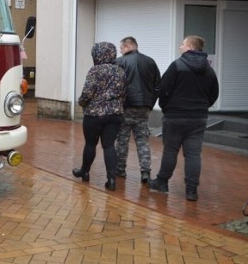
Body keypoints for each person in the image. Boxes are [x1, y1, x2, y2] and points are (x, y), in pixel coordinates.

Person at [149, 35, 219, 201]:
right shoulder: (209, 70)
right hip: (198, 117)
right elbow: (214, 94)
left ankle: (162, 182)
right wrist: (202, 106)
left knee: (170, 150)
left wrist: (166, 107)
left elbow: (164, 88)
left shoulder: (177, 66)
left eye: (182, 44)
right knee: (193, 154)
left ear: (189, 47)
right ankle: (191, 190)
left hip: (175, 116)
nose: (180, 47)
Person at [72, 42, 126, 191]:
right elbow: (124, 92)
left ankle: (85, 172)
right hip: (115, 114)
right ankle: (111, 179)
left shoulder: (95, 71)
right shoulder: (120, 71)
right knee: (109, 145)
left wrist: (82, 102)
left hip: (94, 114)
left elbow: (87, 93)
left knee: (90, 144)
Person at [115, 37, 161, 183]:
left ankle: (120, 169)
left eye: (121, 48)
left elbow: (115, 85)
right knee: (142, 140)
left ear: (128, 46)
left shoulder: (120, 62)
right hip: (143, 108)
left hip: (125, 107)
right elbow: (158, 85)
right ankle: (145, 171)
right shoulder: (150, 61)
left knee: (122, 139)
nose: (120, 51)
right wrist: (149, 103)